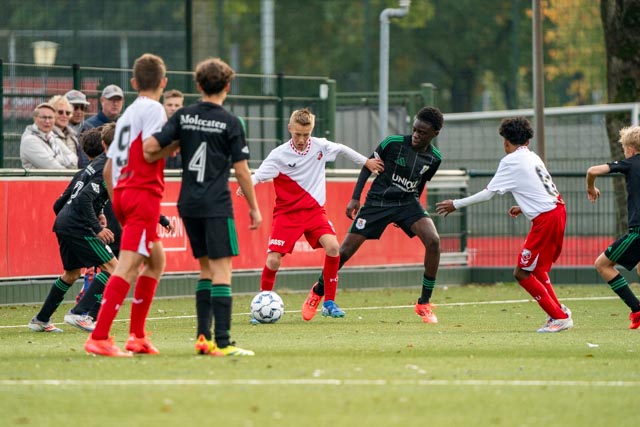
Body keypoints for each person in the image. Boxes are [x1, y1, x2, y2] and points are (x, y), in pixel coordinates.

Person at [145, 57, 262, 356]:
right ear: (227, 86)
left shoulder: (183, 116)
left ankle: (202, 337)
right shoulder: (231, 123)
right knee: (223, 270)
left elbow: (151, 148)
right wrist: (254, 207)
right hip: (216, 203)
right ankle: (222, 342)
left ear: (198, 85)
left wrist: (178, 144)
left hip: (188, 203)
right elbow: (242, 170)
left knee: (205, 269)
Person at [241, 108, 383, 321]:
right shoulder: (279, 155)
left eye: (306, 135)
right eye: (297, 134)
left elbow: (342, 149)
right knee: (273, 261)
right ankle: (262, 304)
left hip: (315, 212)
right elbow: (259, 175)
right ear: (290, 128)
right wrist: (246, 185)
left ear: (311, 131)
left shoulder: (320, 146)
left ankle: (329, 303)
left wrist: (366, 161)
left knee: (334, 247)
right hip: (287, 214)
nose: (301, 139)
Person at [305, 106, 443, 323]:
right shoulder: (393, 143)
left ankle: (424, 303)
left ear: (435, 134)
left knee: (434, 241)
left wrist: (408, 215)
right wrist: (355, 197)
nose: (416, 135)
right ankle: (318, 290)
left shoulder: (434, 158)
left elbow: (420, 184)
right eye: (415, 129)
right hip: (378, 202)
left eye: (422, 132)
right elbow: (367, 167)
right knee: (345, 251)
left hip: (407, 203)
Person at [436, 116, 572, 333]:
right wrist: (524, 207)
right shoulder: (532, 156)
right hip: (556, 210)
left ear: (506, 141)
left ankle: (558, 316)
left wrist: (456, 203)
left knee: (521, 273)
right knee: (534, 268)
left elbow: (488, 194)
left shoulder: (510, 161)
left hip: (547, 218)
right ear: (526, 140)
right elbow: (538, 188)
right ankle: (558, 311)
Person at [84, 53, 169, 357]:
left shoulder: (129, 113)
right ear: (163, 82)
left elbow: (109, 168)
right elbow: (150, 151)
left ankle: (137, 336)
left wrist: (118, 199)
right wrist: (177, 140)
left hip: (122, 191)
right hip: (141, 193)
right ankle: (100, 336)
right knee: (130, 265)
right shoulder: (154, 110)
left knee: (156, 261)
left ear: (134, 83)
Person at [28, 127, 118, 333]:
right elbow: (85, 198)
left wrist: (93, 213)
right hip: (79, 226)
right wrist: (96, 227)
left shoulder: (87, 168)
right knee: (114, 268)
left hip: (65, 223)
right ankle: (80, 313)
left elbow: (59, 204)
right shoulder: (106, 167)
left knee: (72, 273)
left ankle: (40, 319)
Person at [586, 125, 640, 329]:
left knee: (602, 264)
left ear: (630, 149)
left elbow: (592, 170)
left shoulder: (630, 163)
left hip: (638, 231)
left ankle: (636, 308)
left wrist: (590, 186)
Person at [20, 102, 78, 169]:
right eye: (44, 117)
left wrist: (58, 158)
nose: (47, 121)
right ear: (35, 118)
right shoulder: (29, 140)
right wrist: (66, 164)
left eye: (50, 117)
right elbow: (53, 167)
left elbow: (75, 160)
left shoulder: (53, 137)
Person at [50, 94, 90, 168]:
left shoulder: (72, 136)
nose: (79, 111)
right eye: (75, 107)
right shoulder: (47, 134)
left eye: (82, 108)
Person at [162, 89, 185, 169]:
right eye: (169, 105)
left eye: (177, 105)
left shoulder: (188, 130)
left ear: (182, 107)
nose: (173, 108)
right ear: (163, 106)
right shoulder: (155, 128)